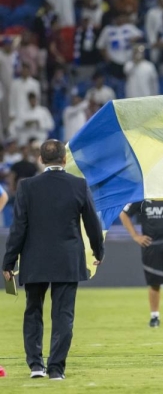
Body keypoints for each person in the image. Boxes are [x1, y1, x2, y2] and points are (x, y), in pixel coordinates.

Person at [2, 140, 104, 380]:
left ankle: (36, 366)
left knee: (33, 312)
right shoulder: (78, 185)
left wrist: (8, 262)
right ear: (64, 159)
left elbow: (18, 229)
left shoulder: (27, 187)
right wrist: (98, 252)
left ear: (40, 159)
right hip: (67, 260)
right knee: (63, 315)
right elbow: (92, 224)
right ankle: (56, 369)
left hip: (34, 260)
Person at [120, 200, 163, 328]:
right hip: (151, 245)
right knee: (154, 283)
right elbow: (124, 214)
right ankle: (154, 316)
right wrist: (135, 236)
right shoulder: (143, 197)